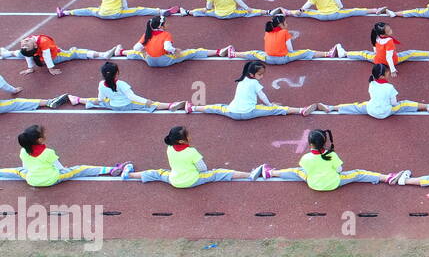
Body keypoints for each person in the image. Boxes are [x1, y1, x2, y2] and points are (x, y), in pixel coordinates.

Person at [263, 129, 405, 189]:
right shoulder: (331, 155)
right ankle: (386, 178)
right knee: (358, 173)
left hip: (313, 184)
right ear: (324, 142)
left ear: (310, 143)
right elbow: (339, 170)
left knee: (296, 171)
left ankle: (271, 173)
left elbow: (305, 170)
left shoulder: (305, 158)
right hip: (334, 183)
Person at [0, 127, 130, 189]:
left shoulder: (23, 151)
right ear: (40, 140)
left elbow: (25, 167)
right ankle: (111, 170)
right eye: (43, 134)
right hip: (52, 179)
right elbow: (59, 167)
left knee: (15, 171)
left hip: (31, 179)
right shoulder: (48, 152)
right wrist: (64, 170)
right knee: (81, 169)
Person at [189, 60, 322, 119]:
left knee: (216, 108)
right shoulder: (255, 83)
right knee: (276, 110)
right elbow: (263, 97)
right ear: (252, 75)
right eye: (260, 74)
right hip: (249, 112)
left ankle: (192, 108)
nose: (262, 76)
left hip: (232, 112)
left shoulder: (241, 81)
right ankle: (301, 110)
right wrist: (270, 105)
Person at [126, 126, 255, 186]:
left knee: (157, 173)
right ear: (182, 141)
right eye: (188, 136)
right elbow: (203, 169)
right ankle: (249, 175)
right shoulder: (192, 152)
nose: (190, 137)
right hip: (192, 180)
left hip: (173, 180)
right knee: (218, 173)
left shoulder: (169, 148)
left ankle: (129, 175)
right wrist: (200, 174)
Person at [327, 63, 429, 118]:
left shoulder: (371, 83)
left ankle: (332, 107)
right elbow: (394, 104)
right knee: (404, 103)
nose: (389, 73)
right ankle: (427, 106)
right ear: (381, 76)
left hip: (370, 109)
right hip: (385, 112)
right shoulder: (390, 88)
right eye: (387, 72)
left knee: (355, 106)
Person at [74, 61, 183, 113]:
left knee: (98, 101)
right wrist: (146, 101)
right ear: (117, 73)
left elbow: (101, 99)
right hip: (126, 104)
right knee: (152, 104)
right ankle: (170, 105)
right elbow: (132, 97)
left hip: (113, 105)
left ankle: (78, 100)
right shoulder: (121, 84)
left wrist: (102, 101)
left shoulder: (101, 84)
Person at [230, 12, 333, 64]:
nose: (287, 24)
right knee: (306, 52)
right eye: (285, 22)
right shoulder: (284, 32)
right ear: (281, 24)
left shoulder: (267, 32)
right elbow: (290, 49)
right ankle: (327, 54)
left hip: (268, 58)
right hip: (283, 59)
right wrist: (291, 54)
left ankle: (234, 54)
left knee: (253, 53)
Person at [122, 15, 218, 67]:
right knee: (191, 52)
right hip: (164, 61)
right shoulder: (166, 35)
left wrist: (144, 52)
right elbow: (167, 48)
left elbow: (136, 48)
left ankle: (121, 52)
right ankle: (218, 52)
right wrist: (175, 50)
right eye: (166, 23)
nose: (167, 24)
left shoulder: (146, 34)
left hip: (150, 61)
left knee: (137, 54)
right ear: (160, 26)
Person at [7, 34, 116, 75]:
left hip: (39, 57)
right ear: (35, 46)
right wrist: (51, 68)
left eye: (25, 43)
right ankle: (103, 55)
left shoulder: (27, 49)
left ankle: (5, 53)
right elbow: (47, 56)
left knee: (20, 53)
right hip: (54, 57)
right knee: (75, 53)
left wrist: (30, 68)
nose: (24, 42)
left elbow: (27, 55)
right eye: (26, 43)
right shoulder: (43, 41)